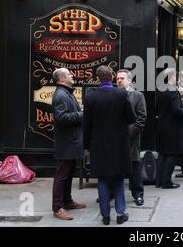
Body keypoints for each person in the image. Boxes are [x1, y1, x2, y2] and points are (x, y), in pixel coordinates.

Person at [83, 65, 136, 225]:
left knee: (103, 179)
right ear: (111, 78)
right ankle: (121, 214)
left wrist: (86, 145)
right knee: (118, 178)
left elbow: (87, 125)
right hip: (119, 143)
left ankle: (105, 216)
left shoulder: (91, 96)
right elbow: (132, 118)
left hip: (98, 144)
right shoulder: (121, 94)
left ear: (97, 79)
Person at [51, 68, 86, 221]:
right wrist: (82, 114)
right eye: (69, 74)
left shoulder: (66, 93)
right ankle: (57, 208)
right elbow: (61, 118)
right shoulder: (60, 95)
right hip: (66, 143)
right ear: (62, 79)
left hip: (71, 142)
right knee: (61, 176)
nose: (72, 75)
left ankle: (67, 201)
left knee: (69, 173)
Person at [116, 69, 147, 206]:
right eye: (117, 78)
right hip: (115, 138)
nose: (119, 81)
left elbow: (142, 117)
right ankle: (112, 193)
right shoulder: (113, 95)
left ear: (129, 80)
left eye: (122, 78)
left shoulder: (137, 95)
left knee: (135, 167)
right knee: (115, 168)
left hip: (132, 138)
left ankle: (138, 194)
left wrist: (129, 133)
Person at [156, 68, 183, 189]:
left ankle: (159, 181)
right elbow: (177, 111)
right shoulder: (173, 91)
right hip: (173, 127)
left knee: (163, 154)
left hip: (162, 125)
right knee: (172, 154)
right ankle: (166, 182)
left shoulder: (161, 89)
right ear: (172, 77)